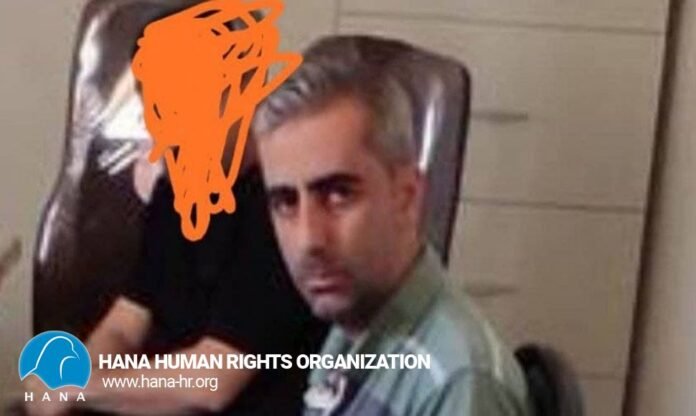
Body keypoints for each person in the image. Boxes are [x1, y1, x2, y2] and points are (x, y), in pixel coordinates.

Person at [253, 36, 532, 416]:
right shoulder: (352, 321)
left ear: (406, 195)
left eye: (338, 194)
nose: (308, 239)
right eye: (286, 202)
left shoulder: (457, 384)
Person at [25, 139, 328, 415]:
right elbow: (124, 326)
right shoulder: (174, 189)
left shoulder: (280, 202)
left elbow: (213, 381)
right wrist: (71, 380)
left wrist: (79, 390)